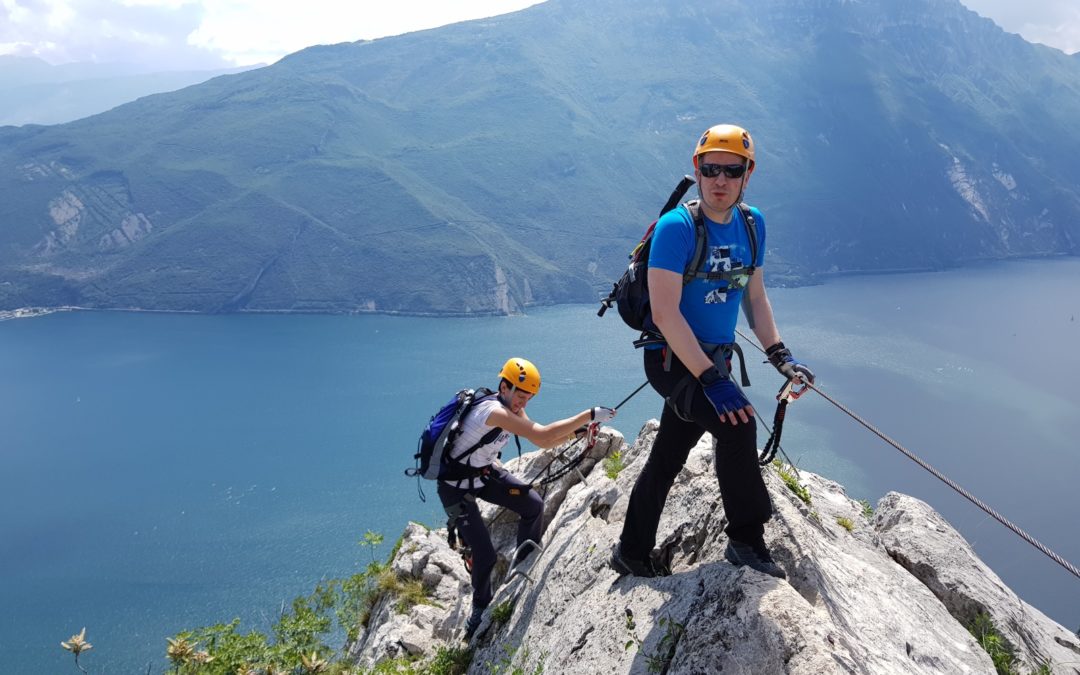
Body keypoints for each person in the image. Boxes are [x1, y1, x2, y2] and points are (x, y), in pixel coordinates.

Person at [611, 124, 814, 580]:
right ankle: (746, 539)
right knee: (737, 427)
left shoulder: (752, 223)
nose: (720, 180)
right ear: (697, 171)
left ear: (748, 174)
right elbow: (665, 313)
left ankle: (631, 550)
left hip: (713, 362)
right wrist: (709, 379)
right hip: (672, 360)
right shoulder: (676, 228)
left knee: (667, 455)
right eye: (710, 169)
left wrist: (781, 355)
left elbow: (755, 298)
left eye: (732, 170)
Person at [441, 357, 616, 638]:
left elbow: (544, 440)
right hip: (455, 486)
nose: (523, 403)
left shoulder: (509, 408)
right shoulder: (493, 412)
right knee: (484, 555)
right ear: (504, 386)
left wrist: (575, 433)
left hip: (482, 473)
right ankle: (479, 610)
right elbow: (540, 435)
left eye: (528, 398)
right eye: (520, 396)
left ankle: (523, 561)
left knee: (532, 504)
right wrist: (588, 415)